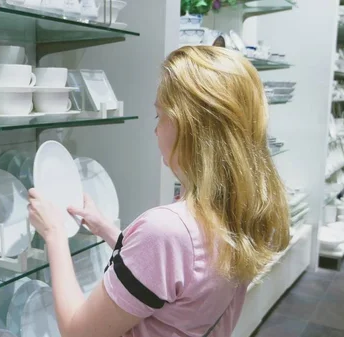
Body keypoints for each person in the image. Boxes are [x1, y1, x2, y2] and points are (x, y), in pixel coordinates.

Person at [27, 45, 291, 337]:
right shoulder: (237, 212)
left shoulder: (166, 230)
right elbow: (179, 274)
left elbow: (78, 333)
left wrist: (53, 234)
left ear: (189, 127)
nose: (156, 130)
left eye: (160, 116)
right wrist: (105, 228)